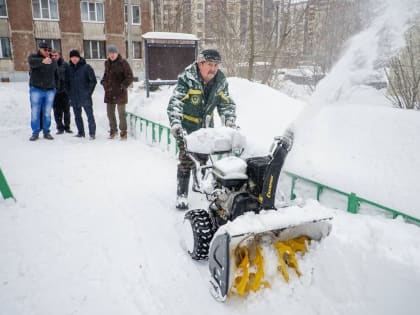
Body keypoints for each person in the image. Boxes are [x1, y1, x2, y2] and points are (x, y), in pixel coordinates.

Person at [167, 49, 237, 209]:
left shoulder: (220, 81)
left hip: (206, 127)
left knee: (204, 158)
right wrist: (176, 124)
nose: (213, 69)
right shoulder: (187, 79)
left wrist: (229, 120)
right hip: (187, 127)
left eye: (216, 65)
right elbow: (176, 103)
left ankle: (199, 183)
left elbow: (226, 103)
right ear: (200, 63)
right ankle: (182, 194)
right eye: (210, 64)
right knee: (186, 159)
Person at [100, 45, 133, 140]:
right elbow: (106, 75)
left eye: (113, 53)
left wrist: (123, 86)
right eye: (110, 53)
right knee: (110, 113)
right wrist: (103, 82)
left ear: (117, 53)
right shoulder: (107, 63)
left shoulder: (123, 63)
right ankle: (113, 131)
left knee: (121, 113)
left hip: (120, 93)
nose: (112, 55)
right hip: (109, 92)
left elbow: (130, 76)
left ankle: (123, 132)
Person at [27, 41, 58, 141]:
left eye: (49, 50)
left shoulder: (52, 61)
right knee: (35, 112)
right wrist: (42, 61)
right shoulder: (34, 57)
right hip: (36, 89)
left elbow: (56, 74)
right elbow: (31, 63)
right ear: (40, 49)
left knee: (47, 112)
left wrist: (55, 87)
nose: (47, 52)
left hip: (49, 90)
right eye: (45, 50)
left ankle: (46, 131)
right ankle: (35, 132)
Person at [65, 49, 97, 140]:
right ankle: (81, 132)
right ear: (70, 58)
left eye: (76, 57)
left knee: (89, 116)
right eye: (72, 57)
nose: (74, 59)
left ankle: (92, 133)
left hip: (85, 97)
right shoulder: (69, 69)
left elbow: (93, 81)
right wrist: (69, 94)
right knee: (77, 116)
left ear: (79, 57)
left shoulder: (86, 67)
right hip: (74, 97)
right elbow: (66, 82)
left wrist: (88, 93)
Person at [50, 49, 72, 134]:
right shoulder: (49, 65)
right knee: (56, 111)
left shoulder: (65, 65)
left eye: (56, 55)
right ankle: (60, 128)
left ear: (59, 56)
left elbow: (69, 77)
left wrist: (69, 89)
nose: (54, 57)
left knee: (66, 110)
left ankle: (67, 127)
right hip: (54, 92)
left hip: (64, 91)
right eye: (53, 56)